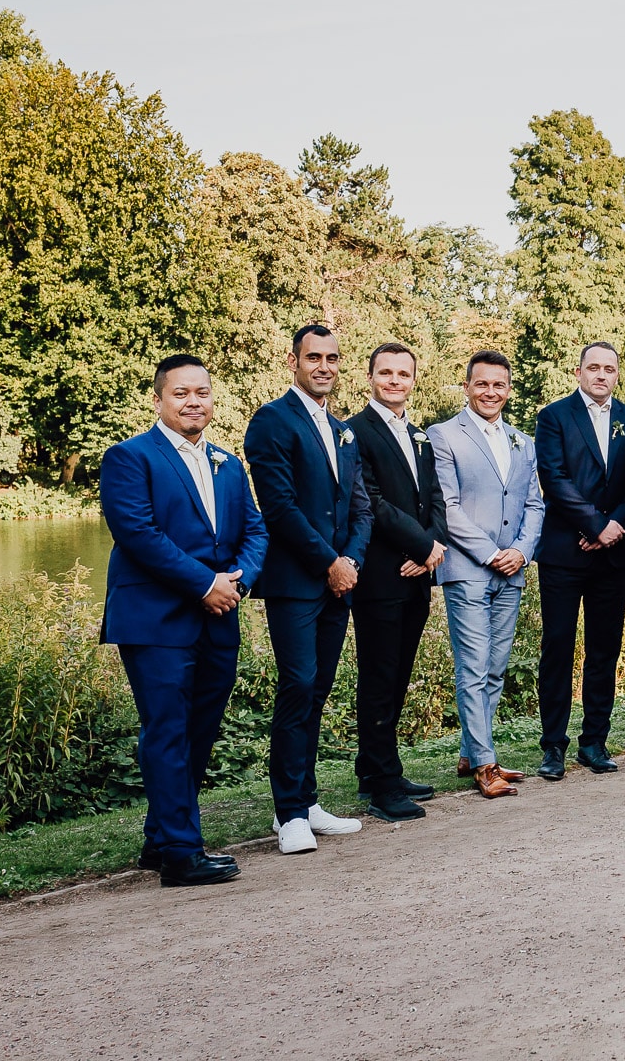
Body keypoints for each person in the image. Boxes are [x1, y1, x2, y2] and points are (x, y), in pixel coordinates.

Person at [100, 355, 267, 886]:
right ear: (158, 400)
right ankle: (181, 852)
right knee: (167, 731)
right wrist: (204, 583)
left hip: (220, 615)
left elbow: (256, 531)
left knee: (199, 731)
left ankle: (161, 839)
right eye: (181, 393)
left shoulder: (228, 463)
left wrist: (237, 581)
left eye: (202, 393)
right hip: (156, 618)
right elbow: (138, 534)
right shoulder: (129, 458)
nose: (194, 401)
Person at [244, 325, 373, 855]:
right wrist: (329, 562)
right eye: (313, 357)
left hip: (339, 581)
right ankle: (288, 813)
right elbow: (278, 508)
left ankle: (308, 799)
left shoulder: (344, 430)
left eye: (333, 358)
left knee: (319, 688)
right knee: (297, 685)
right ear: (293, 361)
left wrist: (353, 560)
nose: (324, 366)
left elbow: (360, 505)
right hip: (297, 582)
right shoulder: (271, 421)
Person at [429, 350, 545, 799]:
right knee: (473, 668)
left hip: (511, 570)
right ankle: (484, 764)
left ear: (509, 389)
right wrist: (491, 552)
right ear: (467, 386)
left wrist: (519, 550)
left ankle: (469, 751)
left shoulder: (523, 441)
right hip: (468, 569)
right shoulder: (443, 436)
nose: (490, 392)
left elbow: (534, 504)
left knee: (495, 668)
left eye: (499, 384)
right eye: (482, 384)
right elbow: (448, 506)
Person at [532, 342, 625, 780]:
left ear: (617, 375)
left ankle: (594, 742)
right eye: (593, 368)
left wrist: (614, 526)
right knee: (557, 647)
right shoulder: (554, 416)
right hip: (564, 551)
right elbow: (553, 478)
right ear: (578, 371)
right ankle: (553, 746)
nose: (601, 375)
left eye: (609, 369)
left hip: (613, 554)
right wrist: (594, 525)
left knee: (605, 648)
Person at [347, 342, 447, 822]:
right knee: (379, 676)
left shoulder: (419, 435)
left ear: (413, 379)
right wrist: (421, 546)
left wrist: (433, 547)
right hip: (379, 576)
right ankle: (382, 787)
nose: (394, 381)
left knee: (399, 674)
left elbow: (434, 498)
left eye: (403, 374)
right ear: (370, 378)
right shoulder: (354, 432)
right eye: (385, 373)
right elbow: (371, 500)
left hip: (416, 575)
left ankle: (377, 765)